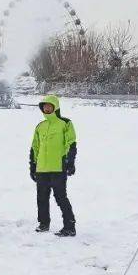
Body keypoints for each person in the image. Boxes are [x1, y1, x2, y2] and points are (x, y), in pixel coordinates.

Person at [29, 94, 78, 237]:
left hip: (58, 167)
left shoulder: (65, 123)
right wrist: (33, 166)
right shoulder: (40, 126)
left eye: (49, 106)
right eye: (44, 107)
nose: (47, 108)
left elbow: (71, 143)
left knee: (61, 197)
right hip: (42, 169)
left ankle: (69, 227)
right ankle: (44, 223)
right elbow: (34, 148)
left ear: (55, 107)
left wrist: (70, 162)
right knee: (41, 198)